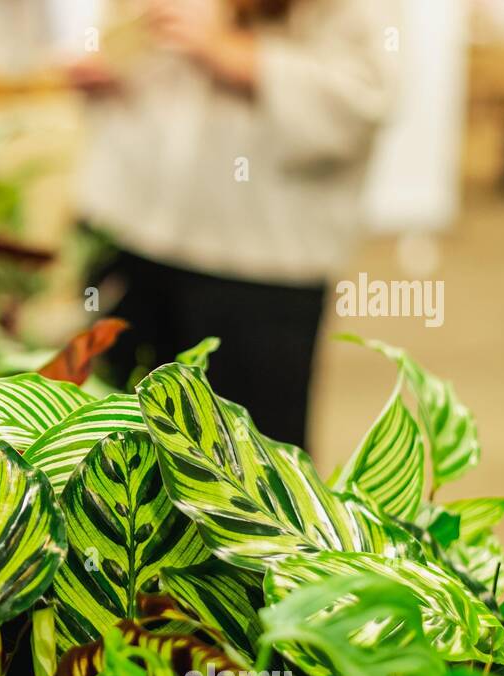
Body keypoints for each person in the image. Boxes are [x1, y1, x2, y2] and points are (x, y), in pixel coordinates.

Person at [75, 0, 396, 449]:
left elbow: (361, 104)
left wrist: (232, 53)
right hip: (132, 238)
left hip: (259, 269)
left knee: (250, 465)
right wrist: (114, 71)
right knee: (120, 452)